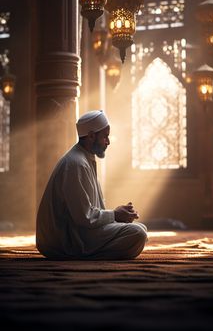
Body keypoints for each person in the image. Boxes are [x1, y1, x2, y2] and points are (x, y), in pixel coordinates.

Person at [36, 110, 147, 260]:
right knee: (138, 234)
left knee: (141, 229)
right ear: (91, 136)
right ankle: (82, 256)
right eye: (105, 136)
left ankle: (92, 253)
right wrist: (114, 215)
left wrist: (117, 216)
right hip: (66, 239)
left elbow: (88, 214)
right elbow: (84, 217)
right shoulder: (76, 164)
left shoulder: (84, 159)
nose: (108, 142)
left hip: (79, 231)